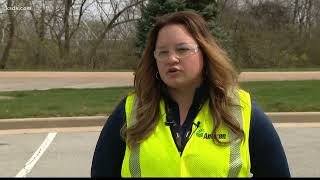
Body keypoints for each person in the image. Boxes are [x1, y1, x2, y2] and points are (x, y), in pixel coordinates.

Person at [91, 10, 291, 177]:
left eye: (182, 49)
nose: (172, 59)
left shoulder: (241, 110)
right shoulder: (131, 111)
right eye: (162, 52)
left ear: (204, 52)